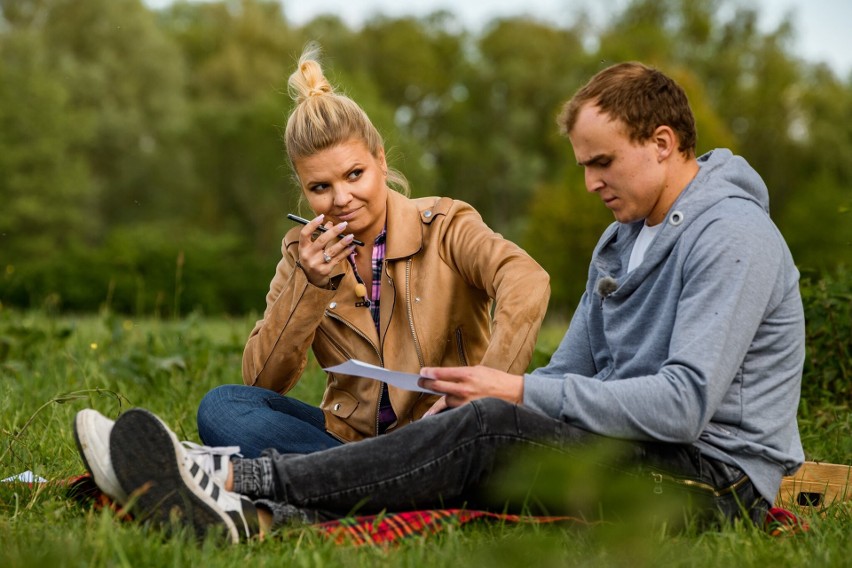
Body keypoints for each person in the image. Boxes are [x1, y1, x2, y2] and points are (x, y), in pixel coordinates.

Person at [74, 61, 805, 543]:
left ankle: (231, 480)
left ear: (664, 142)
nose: (589, 183)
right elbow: (570, 375)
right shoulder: (620, 242)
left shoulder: (733, 235)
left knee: (487, 425)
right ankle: (245, 496)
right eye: (584, 165)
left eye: (601, 163)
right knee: (238, 404)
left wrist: (503, 387)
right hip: (608, 450)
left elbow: (683, 406)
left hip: (710, 481)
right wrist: (310, 287)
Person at [195, 43, 550, 458]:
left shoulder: (446, 224)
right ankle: (369, 477)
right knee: (221, 407)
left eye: (354, 174)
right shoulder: (301, 254)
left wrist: (487, 389)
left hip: (444, 432)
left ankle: (326, 480)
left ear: (380, 161)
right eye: (320, 187)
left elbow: (526, 279)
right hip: (348, 441)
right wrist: (310, 285)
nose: (341, 198)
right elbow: (259, 386)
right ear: (304, 190)